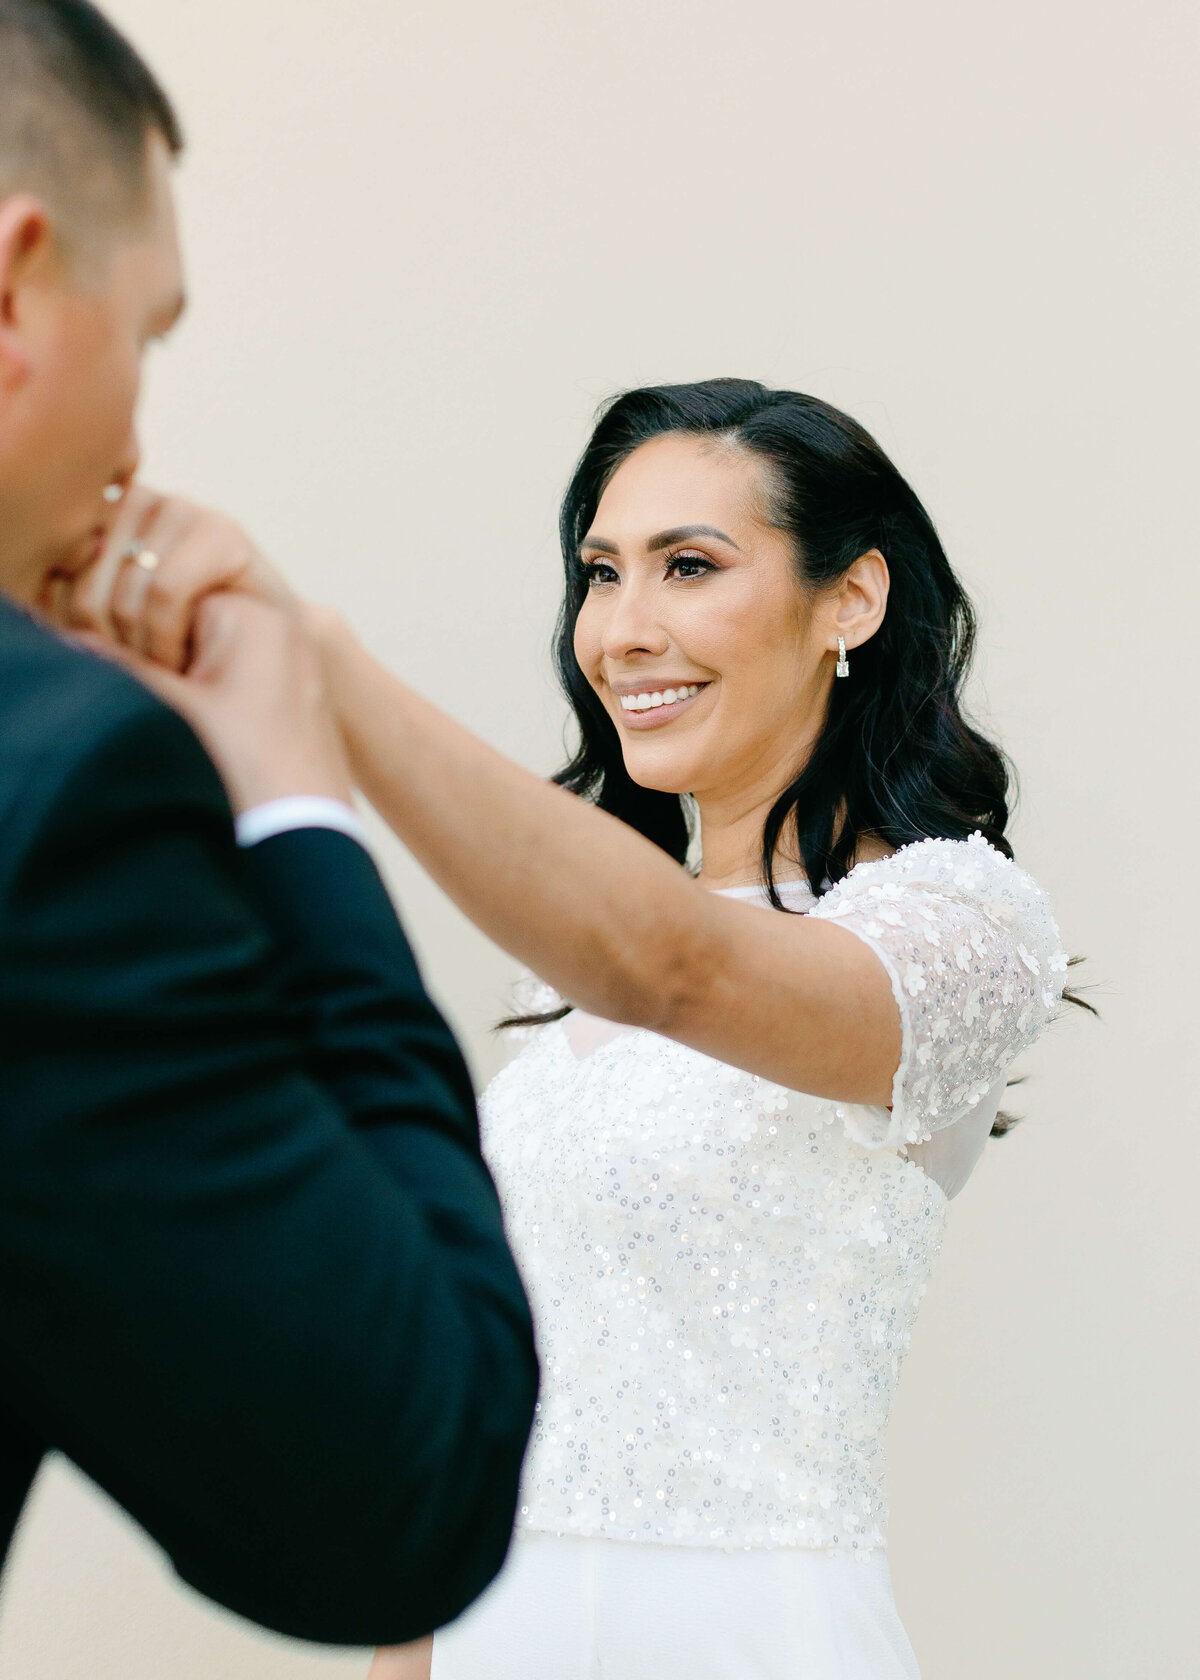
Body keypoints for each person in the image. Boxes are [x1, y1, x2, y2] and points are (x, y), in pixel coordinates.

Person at [74, 380, 1074, 1680]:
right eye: (602, 575)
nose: (623, 631)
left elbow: (673, 963)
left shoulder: (959, 928)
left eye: (690, 567)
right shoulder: (568, 1021)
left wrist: (315, 664)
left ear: (854, 598)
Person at [0, 0, 537, 1650]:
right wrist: (298, 805)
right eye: (147, 334)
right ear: (14, 287)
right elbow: (394, 1486)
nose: (137, 434)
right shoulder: (63, 788)